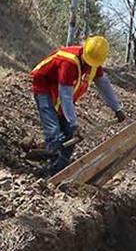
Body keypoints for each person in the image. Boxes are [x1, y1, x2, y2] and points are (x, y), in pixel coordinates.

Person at [30, 35, 126, 174]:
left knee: (69, 136)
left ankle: (59, 171)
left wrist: (117, 108)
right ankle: (46, 169)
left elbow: (104, 85)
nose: (89, 65)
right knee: (54, 133)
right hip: (44, 86)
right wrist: (74, 124)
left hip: (60, 91)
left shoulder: (94, 63)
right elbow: (65, 96)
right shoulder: (68, 62)